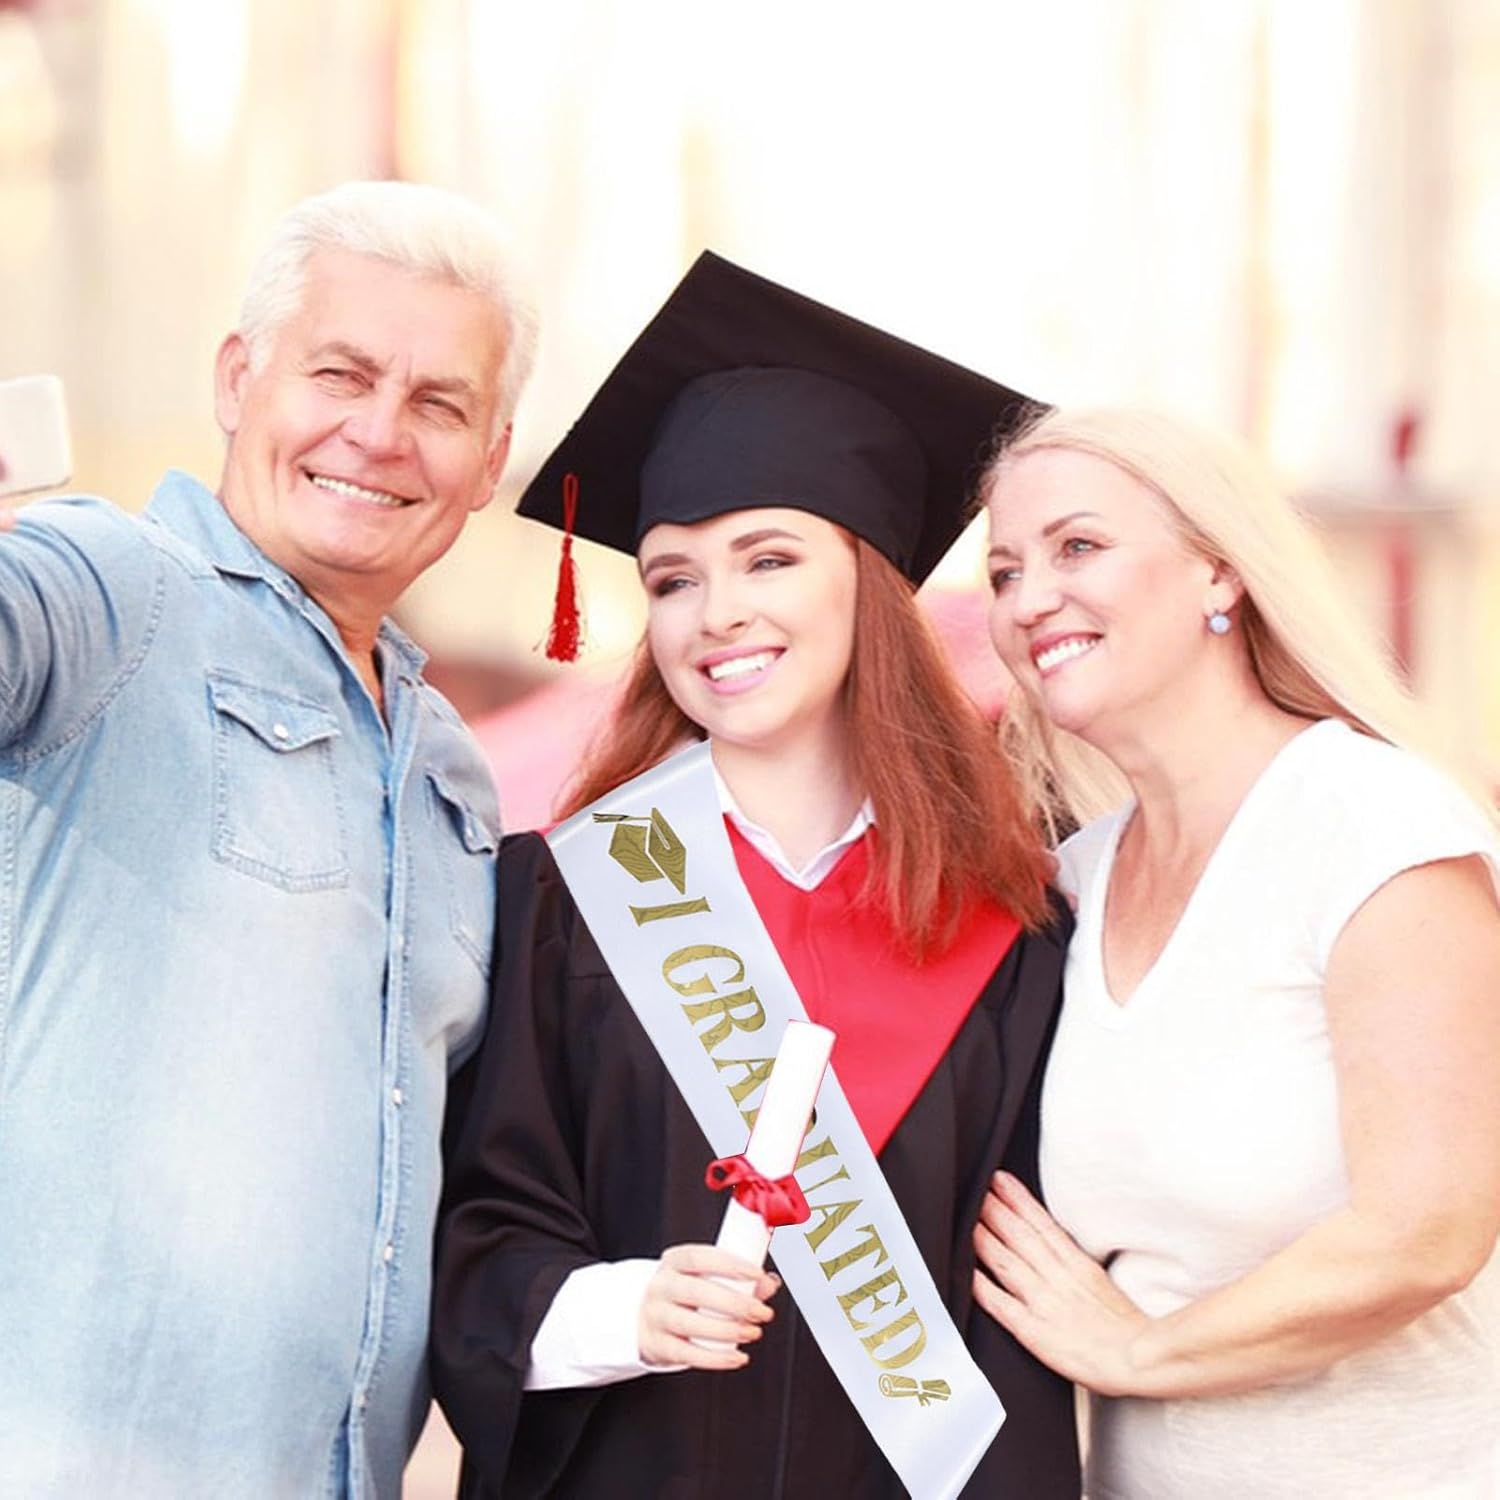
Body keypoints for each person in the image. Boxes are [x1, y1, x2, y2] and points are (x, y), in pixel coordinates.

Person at [431, 253, 1082, 1498]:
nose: (714, 613)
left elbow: (1024, 1298)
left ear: (869, 583)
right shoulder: (570, 899)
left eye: (768, 559)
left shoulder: (1013, 927)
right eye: (673, 579)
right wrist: (618, 1312)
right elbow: (481, 1228)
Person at [0, 180, 538, 1498]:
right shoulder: (112, 594)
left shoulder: (453, 777)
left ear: (491, 462)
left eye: (439, 405)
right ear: (239, 379)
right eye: (339, 374)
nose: (380, 433)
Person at [976, 405, 1500, 1499]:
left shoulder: (1372, 825)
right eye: (1005, 571)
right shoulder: (1080, 880)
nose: (1029, 600)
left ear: (1218, 572)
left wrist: (1137, 1354)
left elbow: (1428, 1231)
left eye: (1078, 546)